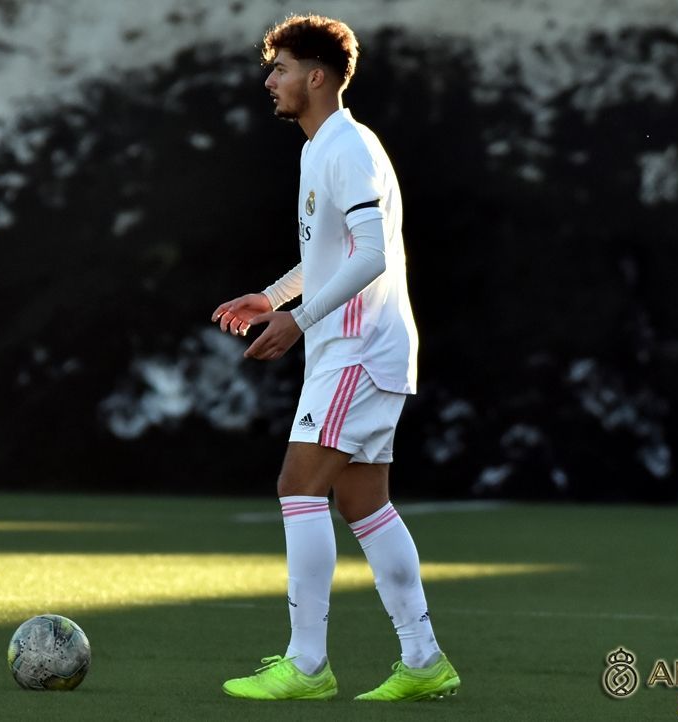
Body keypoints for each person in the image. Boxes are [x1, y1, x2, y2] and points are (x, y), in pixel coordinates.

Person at [211, 14, 460, 702]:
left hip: (357, 346)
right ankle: (424, 660)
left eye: (281, 69)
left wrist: (298, 319)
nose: (270, 81)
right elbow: (334, 251)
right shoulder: (324, 147)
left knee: (298, 486)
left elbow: (372, 254)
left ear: (316, 77)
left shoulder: (346, 146)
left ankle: (307, 665)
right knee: (363, 501)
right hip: (357, 347)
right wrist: (272, 297)